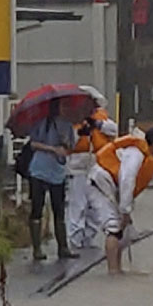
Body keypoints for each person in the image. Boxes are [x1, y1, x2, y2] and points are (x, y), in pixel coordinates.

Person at [84, 127, 153, 274]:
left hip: (111, 187)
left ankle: (118, 269)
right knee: (113, 227)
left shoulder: (141, 153)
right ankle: (113, 272)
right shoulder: (135, 154)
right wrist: (125, 210)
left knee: (122, 229)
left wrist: (126, 211)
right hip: (99, 185)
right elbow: (126, 179)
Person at [27, 99, 79, 261]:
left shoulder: (67, 125)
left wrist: (64, 143)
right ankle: (37, 248)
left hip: (58, 171)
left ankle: (63, 247)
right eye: (62, 106)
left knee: (59, 209)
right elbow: (33, 144)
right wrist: (52, 149)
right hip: (39, 170)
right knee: (37, 207)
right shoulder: (41, 123)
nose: (65, 109)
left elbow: (71, 145)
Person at [65, 90, 117, 251]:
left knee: (95, 206)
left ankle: (88, 237)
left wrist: (97, 125)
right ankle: (75, 239)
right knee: (77, 204)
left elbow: (113, 130)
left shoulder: (101, 119)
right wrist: (81, 133)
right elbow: (67, 140)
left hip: (97, 165)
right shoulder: (71, 120)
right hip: (77, 167)